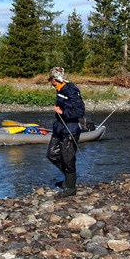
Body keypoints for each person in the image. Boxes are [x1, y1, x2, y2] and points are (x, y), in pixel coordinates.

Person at [46, 67, 85, 197]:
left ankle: (70, 187)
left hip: (70, 129)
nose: (50, 82)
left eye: (50, 79)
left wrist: (63, 113)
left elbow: (80, 111)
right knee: (52, 154)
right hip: (59, 127)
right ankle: (69, 179)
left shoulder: (71, 90)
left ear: (55, 79)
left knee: (68, 159)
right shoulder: (60, 89)